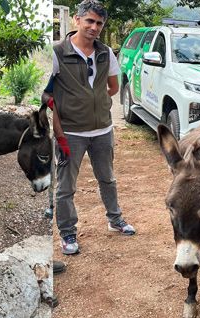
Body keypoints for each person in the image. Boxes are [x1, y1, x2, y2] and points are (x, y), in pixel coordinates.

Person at [43, 0, 136, 256]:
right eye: (90, 21)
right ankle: (68, 233)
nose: (94, 27)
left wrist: (97, 100)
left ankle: (115, 220)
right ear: (77, 20)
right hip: (71, 134)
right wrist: (59, 134)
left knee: (108, 179)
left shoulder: (105, 52)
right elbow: (47, 98)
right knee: (65, 187)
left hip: (103, 131)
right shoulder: (58, 53)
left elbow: (114, 87)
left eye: (99, 23)